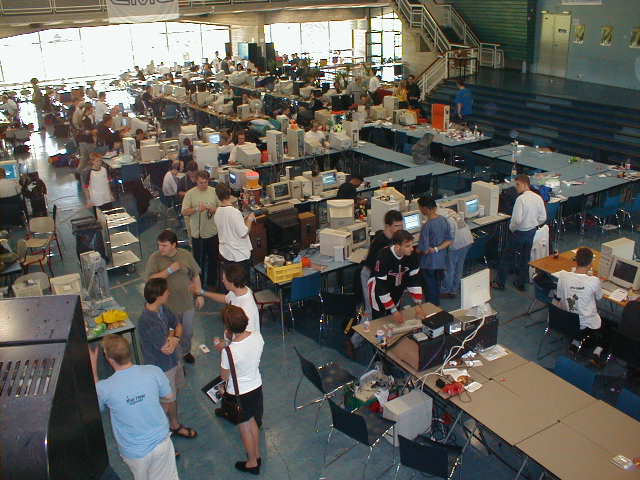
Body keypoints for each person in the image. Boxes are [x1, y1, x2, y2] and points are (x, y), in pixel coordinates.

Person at [89, 335, 179, 480]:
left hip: (135, 452)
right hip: (161, 441)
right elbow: (168, 396)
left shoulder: (104, 387)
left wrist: (93, 368)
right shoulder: (153, 371)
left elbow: (96, 407)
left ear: (109, 359)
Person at [138, 278, 198, 440]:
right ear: (158, 296)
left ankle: (172, 422)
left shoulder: (162, 308)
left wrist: (173, 336)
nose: (169, 293)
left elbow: (178, 325)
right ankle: (167, 430)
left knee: (174, 393)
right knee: (167, 399)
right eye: (166, 291)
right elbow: (167, 349)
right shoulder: (147, 321)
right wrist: (174, 337)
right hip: (162, 367)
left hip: (174, 361)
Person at [146, 229, 204, 364]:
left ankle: (185, 352)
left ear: (174, 245)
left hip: (186, 303)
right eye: (159, 245)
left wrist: (199, 295)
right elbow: (150, 279)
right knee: (169, 334)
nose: (160, 248)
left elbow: (195, 275)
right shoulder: (155, 258)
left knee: (187, 332)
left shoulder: (185, 255)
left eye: (164, 245)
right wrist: (168, 271)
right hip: (167, 307)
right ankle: (171, 356)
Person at [217, 305, 264, 475]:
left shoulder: (229, 352)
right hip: (256, 387)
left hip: (239, 394)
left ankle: (252, 463)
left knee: (244, 427)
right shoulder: (258, 336)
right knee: (253, 422)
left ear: (228, 328)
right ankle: (257, 454)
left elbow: (224, 376)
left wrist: (222, 388)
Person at [350, 210, 404, 350]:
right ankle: (353, 343)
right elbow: (376, 268)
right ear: (388, 226)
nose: (400, 229)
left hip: (381, 277)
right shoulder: (381, 242)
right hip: (370, 277)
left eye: (401, 225)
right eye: (397, 226)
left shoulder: (392, 238)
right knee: (370, 312)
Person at [495, 174, 546, 291]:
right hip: (531, 232)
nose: (516, 187)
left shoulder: (521, 199)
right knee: (525, 257)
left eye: (517, 185)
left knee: (507, 256)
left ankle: (500, 282)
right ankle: (521, 282)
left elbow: (517, 220)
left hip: (519, 232)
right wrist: (534, 224)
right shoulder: (538, 198)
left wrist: (512, 228)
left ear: (524, 184)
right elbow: (543, 217)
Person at [369, 230, 424, 322]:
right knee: (380, 320)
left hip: (397, 287)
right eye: (407, 246)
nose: (412, 249)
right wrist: (393, 311)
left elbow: (414, 279)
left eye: (412, 245)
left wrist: (418, 304)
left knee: (395, 320)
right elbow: (381, 287)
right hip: (378, 289)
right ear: (398, 247)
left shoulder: (412, 255)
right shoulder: (383, 256)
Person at [197, 262, 261, 337]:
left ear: (231, 283)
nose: (222, 281)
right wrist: (202, 292)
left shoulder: (245, 308)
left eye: (224, 279)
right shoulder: (239, 290)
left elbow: (245, 336)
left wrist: (226, 342)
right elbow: (225, 298)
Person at [181, 170, 220, 288]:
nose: (203, 185)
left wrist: (212, 209)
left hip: (212, 233)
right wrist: (197, 209)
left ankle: (212, 283)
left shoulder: (214, 192)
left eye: (205, 182)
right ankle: (199, 284)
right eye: (200, 183)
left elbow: (221, 208)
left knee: (213, 260)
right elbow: (184, 212)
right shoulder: (190, 194)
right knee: (199, 262)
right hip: (198, 235)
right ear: (196, 182)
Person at [554, 247, 603, 334]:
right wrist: (599, 282)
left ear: (576, 260)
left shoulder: (563, 276)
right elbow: (599, 298)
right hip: (586, 323)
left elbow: (559, 296)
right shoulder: (594, 281)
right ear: (590, 264)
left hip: (566, 317)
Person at [417, 196, 453, 305]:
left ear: (425, 208)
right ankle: (436, 306)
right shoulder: (443, 220)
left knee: (429, 289)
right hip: (441, 261)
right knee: (437, 286)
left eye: (420, 207)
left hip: (429, 264)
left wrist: (417, 250)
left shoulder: (427, 226)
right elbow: (449, 240)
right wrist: (436, 249)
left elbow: (424, 250)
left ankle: (432, 308)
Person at [214, 183, 255, 276]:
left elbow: (228, 226)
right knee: (242, 281)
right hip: (238, 255)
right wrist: (250, 219)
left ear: (217, 196)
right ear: (229, 192)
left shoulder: (217, 212)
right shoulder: (234, 212)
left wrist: (242, 220)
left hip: (226, 253)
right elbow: (243, 233)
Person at [440, 207, 474, 298]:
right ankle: (454, 289)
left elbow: (449, 236)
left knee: (450, 268)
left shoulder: (442, 218)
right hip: (467, 240)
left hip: (457, 244)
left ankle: (446, 290)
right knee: (459, 266)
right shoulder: (449, 211)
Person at [77, 103, 97, 171]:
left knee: (84, 158)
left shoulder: (82, 117)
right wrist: (94, 131)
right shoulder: (87, 119)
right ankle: (91, 172)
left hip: (81, 140)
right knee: (92, 157)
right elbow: (88, 131)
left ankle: (78, 172)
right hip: (88, 141)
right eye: (92, 109)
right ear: (89, 109)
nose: (93, 110)